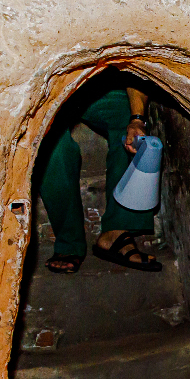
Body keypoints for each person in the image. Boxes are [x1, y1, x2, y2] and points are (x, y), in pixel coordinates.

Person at [33, 72, 162, 273]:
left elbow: (136, 65)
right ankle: (69, 243)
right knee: (52, 146)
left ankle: (116, 232)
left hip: (97, 84)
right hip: (45, 90)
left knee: (130, 129)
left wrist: (137, 119)